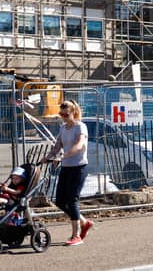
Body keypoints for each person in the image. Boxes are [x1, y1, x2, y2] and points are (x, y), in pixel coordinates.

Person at [41, 99, 93, 246]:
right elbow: (57, 145)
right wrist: (48, 157)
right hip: (66, 167)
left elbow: (78, 146)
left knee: (72, 200)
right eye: (61, 113)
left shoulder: (80, 127)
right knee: (59, 201)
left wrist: (62, 156)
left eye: (65, 114)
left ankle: (76, 235)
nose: (63, 116)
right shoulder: (63, 128)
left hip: (78, 168)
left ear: (73, 113)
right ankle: (84, 222)